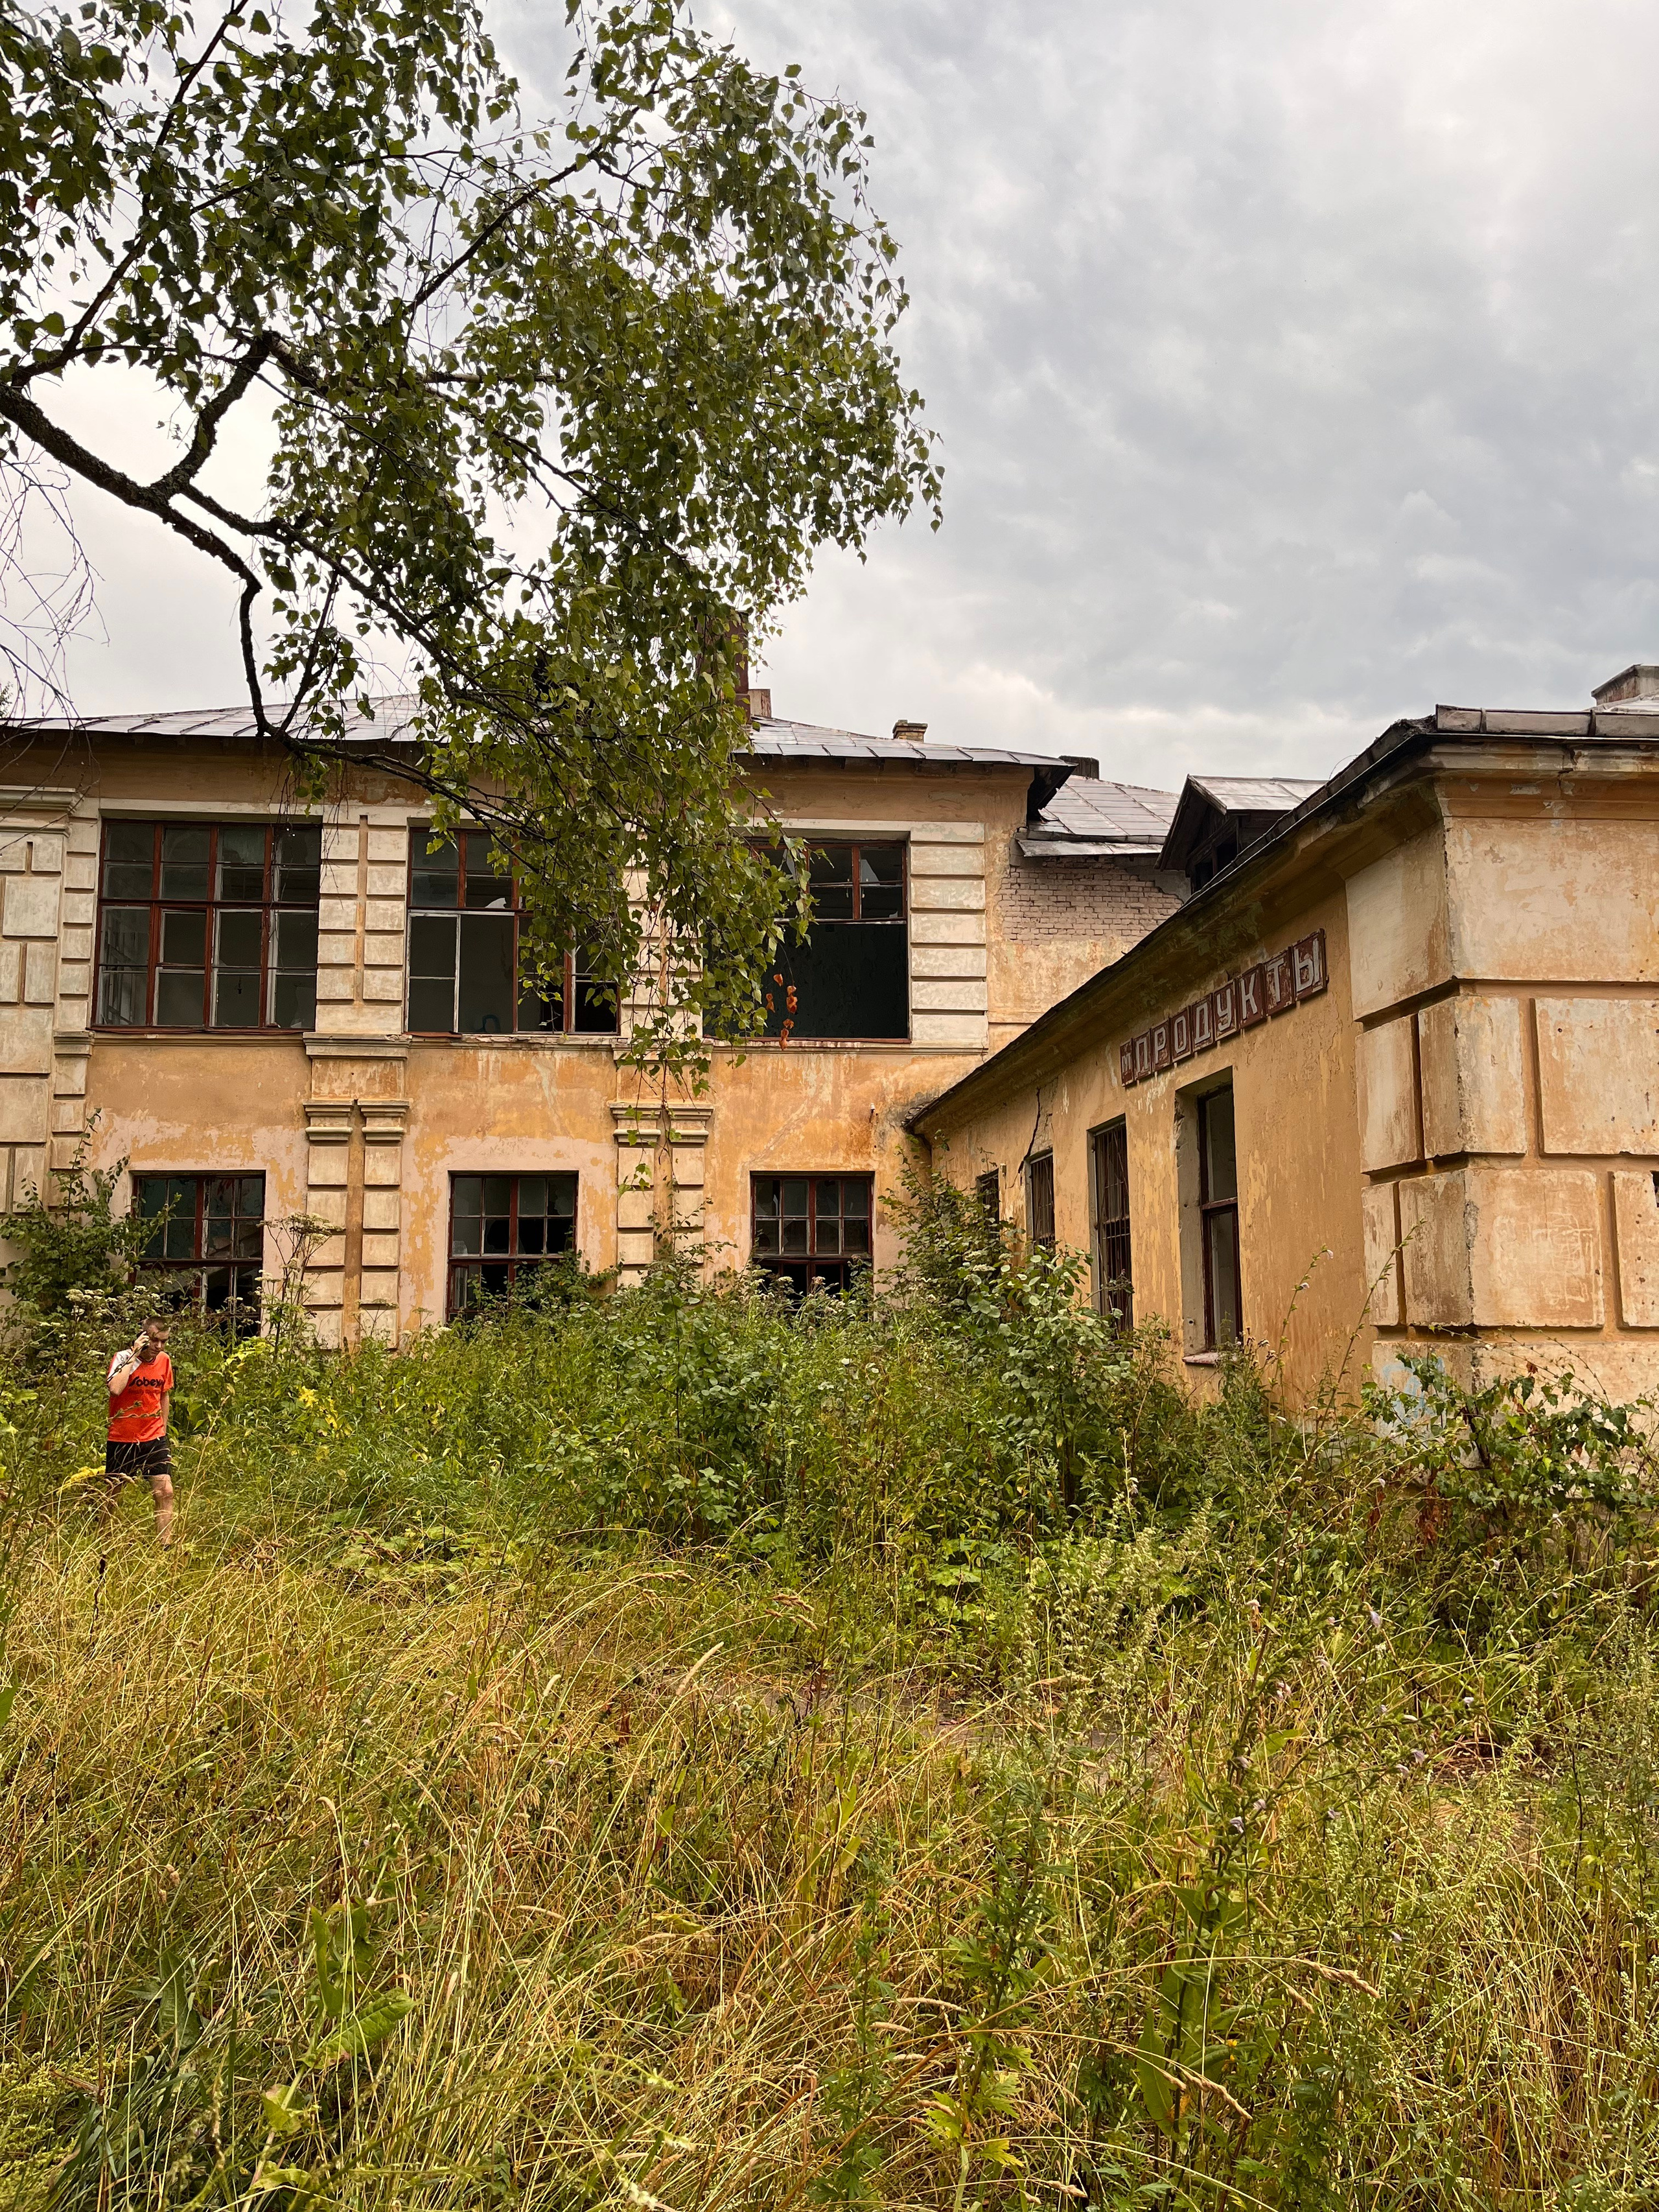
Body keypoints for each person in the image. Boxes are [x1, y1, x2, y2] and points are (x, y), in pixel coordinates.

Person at [104, 1316, 176, 1546]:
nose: (159, 1347)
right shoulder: (123, 1358)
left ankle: (165, 1545)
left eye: (164, 1341)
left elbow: (164, 1395)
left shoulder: (164, 1360)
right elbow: (115, 1389)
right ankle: (103, 1539)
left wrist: (163, 1430)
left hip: (154, 1436)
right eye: (155, 1340)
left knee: (165, 1492)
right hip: (122, 1436)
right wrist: (134, 1355)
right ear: (143, 1337)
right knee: (113, 1494)